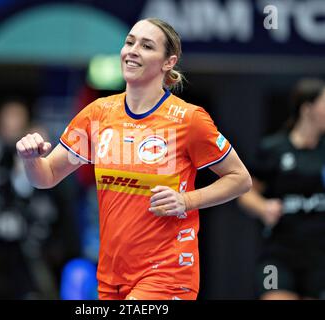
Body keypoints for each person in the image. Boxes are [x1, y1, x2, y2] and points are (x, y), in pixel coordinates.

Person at [16, 18, 252, 300]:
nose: (133, 50)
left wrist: (187, 200)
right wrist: (30, 159)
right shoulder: (97, 115)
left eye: (147, 45)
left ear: (168, 62)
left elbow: (240, 179)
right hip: (111, 273)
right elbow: (47, 176)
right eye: (130, 42)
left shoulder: (189, 120)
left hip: (167, 271)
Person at [0, 99, 78, 299]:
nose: (12, 124)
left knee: (35, 289)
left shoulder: (29, 151)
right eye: (8, 118)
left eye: (18, 119)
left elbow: (48, 199)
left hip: (28, 242)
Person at [238, 78, 325, 300]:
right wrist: (264, 207)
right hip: (279, 254)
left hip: (319, 256)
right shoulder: (274, 149)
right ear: (308, 109)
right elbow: (246, 192)